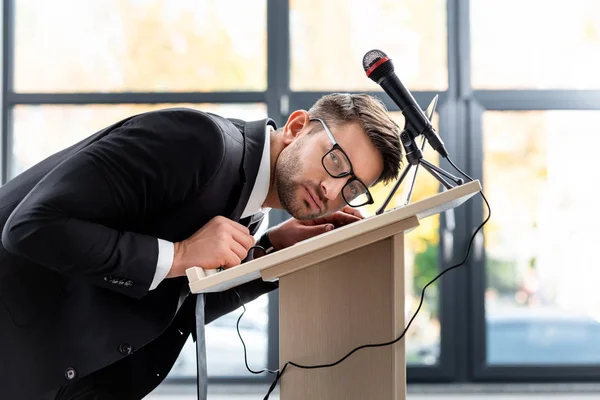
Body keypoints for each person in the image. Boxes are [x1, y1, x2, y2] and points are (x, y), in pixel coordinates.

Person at [0, 93, 402, 399]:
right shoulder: (199, 143)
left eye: (353, 188)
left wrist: (270, 254)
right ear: (298, 127)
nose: (332, 189)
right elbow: (32, 227)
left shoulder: (251, 209)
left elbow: (176, 299)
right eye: (335, 161)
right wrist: (179, 255)